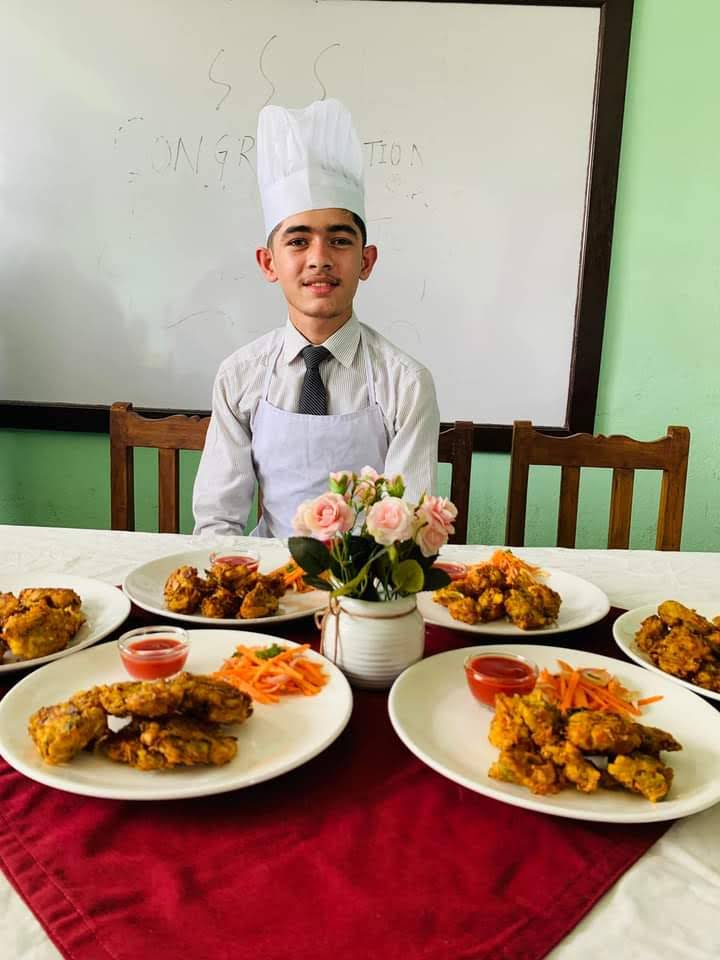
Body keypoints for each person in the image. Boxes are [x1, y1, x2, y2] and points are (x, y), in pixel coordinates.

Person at [192, 98, 440, 538]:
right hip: (265, 586)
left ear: (366, 261)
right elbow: (218, 521)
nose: (320, 259)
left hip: (368, 588)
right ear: (268, 263)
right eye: (298, 241)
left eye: (340, 241)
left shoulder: (405, 383)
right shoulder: (239, 376)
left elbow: (408, 531)